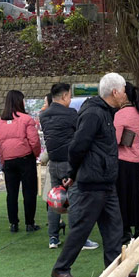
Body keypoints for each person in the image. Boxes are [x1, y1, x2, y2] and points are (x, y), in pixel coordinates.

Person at [51, 73, 129, 277]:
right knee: (82, 227)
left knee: (114, 226)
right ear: (115, 92)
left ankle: (114, 268)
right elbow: (77, 146)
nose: (125, 94)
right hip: (92, 182)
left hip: (105, 181)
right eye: (123, 90)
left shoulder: (105, 112)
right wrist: (72, 173)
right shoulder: (94, 113)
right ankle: (61, 269)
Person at [40, 83, 99, 251]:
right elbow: (79, 137)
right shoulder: (71, 114)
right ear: (65, 96)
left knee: (54, 199)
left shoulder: (44, 116)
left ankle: (53, 237)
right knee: (74, 200)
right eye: (69, 96)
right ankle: (78, 240)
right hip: (70, 163)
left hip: (54, 163)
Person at [0, 90, 41, 233]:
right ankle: (29, 223)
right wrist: (36, 154)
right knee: (29, 191)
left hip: (8, 160)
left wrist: (3, 159)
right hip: (26, 158)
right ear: (20, 101)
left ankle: (13, 223)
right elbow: (34, 141)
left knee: (11, 193)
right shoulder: (26, 119)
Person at [114, 82, 139, 245]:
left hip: (123, 160)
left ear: (124, 95)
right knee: (137, 194)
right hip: (136, 158)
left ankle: (125, 230)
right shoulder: (138, 113)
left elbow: (115, 140)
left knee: (123, 196)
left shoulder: (120, 114)